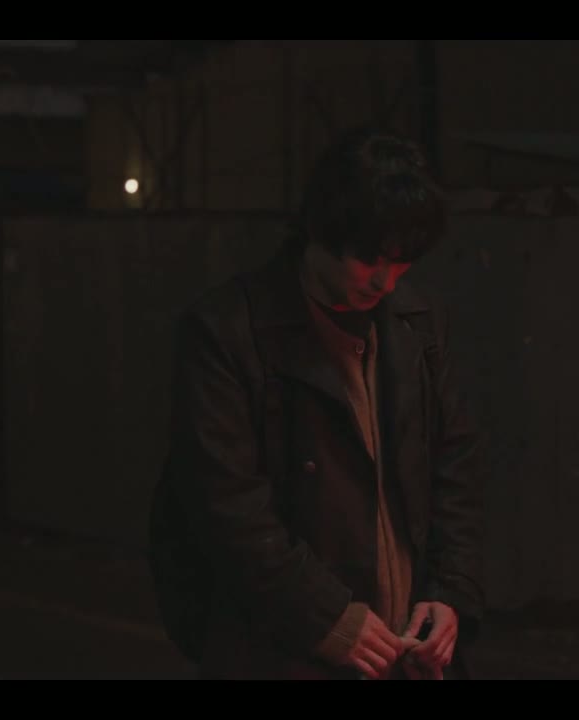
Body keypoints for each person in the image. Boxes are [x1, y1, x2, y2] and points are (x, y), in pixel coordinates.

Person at [155, 127, 486, 680]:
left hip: (406, 654)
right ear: (322, 231)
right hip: (282, 653)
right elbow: (226, 506)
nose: (385, 280)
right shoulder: (229, 331)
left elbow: (455, 468)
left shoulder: (417, 324)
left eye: (403, 262)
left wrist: (450, 593)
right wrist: (326, 618)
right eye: (369, 258)